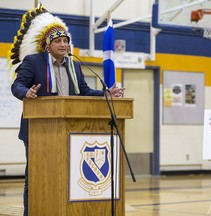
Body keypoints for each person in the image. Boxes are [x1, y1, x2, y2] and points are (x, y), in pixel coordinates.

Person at [8, 5, 124, 216]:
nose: (63, 44)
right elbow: (17, 85)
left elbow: (84, 91)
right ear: (47, 45)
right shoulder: (33, 62)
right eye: (58, 41)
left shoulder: (74, 65)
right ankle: (31, 212)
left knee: (64, 176)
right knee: (36, 175)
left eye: (65, 41)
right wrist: (28, 93)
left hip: (68, 130)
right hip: (38, 130)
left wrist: (105, 94)